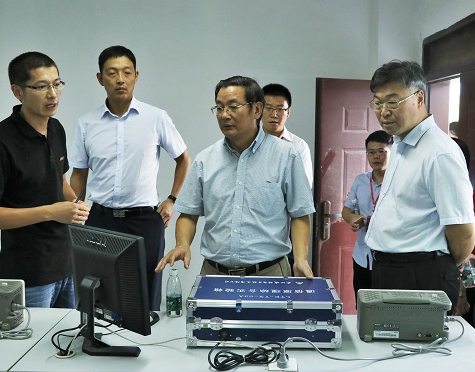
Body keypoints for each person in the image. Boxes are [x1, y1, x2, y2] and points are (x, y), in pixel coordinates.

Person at [155, 76, 315, 278]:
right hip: (214, 273)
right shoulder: (205, 160)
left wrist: (300, 259)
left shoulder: (286, 155)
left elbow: (300, 213)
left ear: (256, 110)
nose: (224, 115)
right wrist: (182, 244)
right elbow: (188, 214)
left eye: (233, 107)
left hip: (269, 272)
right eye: (219, 108)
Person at [70, 45, 190, 312]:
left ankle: (145, 337)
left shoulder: (155, 118)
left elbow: (183, 159)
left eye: (126, 72)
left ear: (136, 76)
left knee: (145, 297)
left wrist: (171, 199)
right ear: (100, 78)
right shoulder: (87, 123)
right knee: (98, 293)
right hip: (99, 220)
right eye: (112, 73)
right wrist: (76, 211)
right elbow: (79, 173)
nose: (120, 80)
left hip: (144, 221)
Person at [0, 52, 90, 308]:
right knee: (33, 335)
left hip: (67, 264)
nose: (53, 94)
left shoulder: (56, 129)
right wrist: (51, 212)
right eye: (41, 86)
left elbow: (59, 181)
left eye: (57, 84)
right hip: (29, 274)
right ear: (18, 92)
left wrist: (76, 205)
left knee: (71, 333)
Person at [364, 60, 475, 309]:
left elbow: (463, 234)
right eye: (378, 103)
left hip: (420, 274)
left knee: (416, 337)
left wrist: (435, 267)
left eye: (393, 102)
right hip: (390, 268)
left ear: (419, 98)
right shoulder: (400, 144)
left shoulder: (439, 152)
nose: (384, 111)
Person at [342, 130, 392, 304]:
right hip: (362, 256)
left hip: (391, 259)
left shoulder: (398, 182)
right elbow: (347, 209)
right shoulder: (360, 181)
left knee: (388, 307)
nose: (376, 156)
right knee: (363, 306)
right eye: (371, 152)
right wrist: (352, 218)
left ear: (392, 152)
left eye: (381, 151)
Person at [451, 137, 475, 324]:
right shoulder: (461, 190)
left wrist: (461, 293)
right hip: (459, 276)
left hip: (458, 279)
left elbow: (465, 251)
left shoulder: (461, 194)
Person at [261, 83, 313, 187]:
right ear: (259, 110)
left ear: (288, 112)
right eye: (268, 108)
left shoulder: (299, 146)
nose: (274, 115)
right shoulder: (248, 142)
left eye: (280, 109)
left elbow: (303, 186)